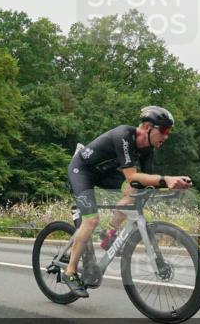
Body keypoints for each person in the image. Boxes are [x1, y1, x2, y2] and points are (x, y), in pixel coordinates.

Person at [64, 106, 192, 297]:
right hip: (81, 171)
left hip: (102, 174)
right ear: (148, 127)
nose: (166, 136)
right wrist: (166, 179)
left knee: (137, 188)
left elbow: (145, 181)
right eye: (164, 130)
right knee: (91, 220)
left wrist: (172, 186)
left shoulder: (148, 149)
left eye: (169, 132)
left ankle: (110, 233)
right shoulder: (124, 135)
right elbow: (133, 176)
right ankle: (70, 272)